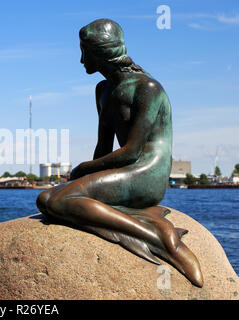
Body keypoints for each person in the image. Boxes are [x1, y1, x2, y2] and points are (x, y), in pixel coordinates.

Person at [36, 19, 203, 287]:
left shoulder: (146, 88)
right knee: (45, 198)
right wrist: (81, 175)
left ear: (102, 52)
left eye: (84, 51)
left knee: (58, 202)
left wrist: (82, 169)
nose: (81, 60)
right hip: (126, 170)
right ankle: (138, 220)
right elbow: (103, 148)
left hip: (147, 172)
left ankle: (159, 237)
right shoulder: (103, 90)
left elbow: (131, 152)